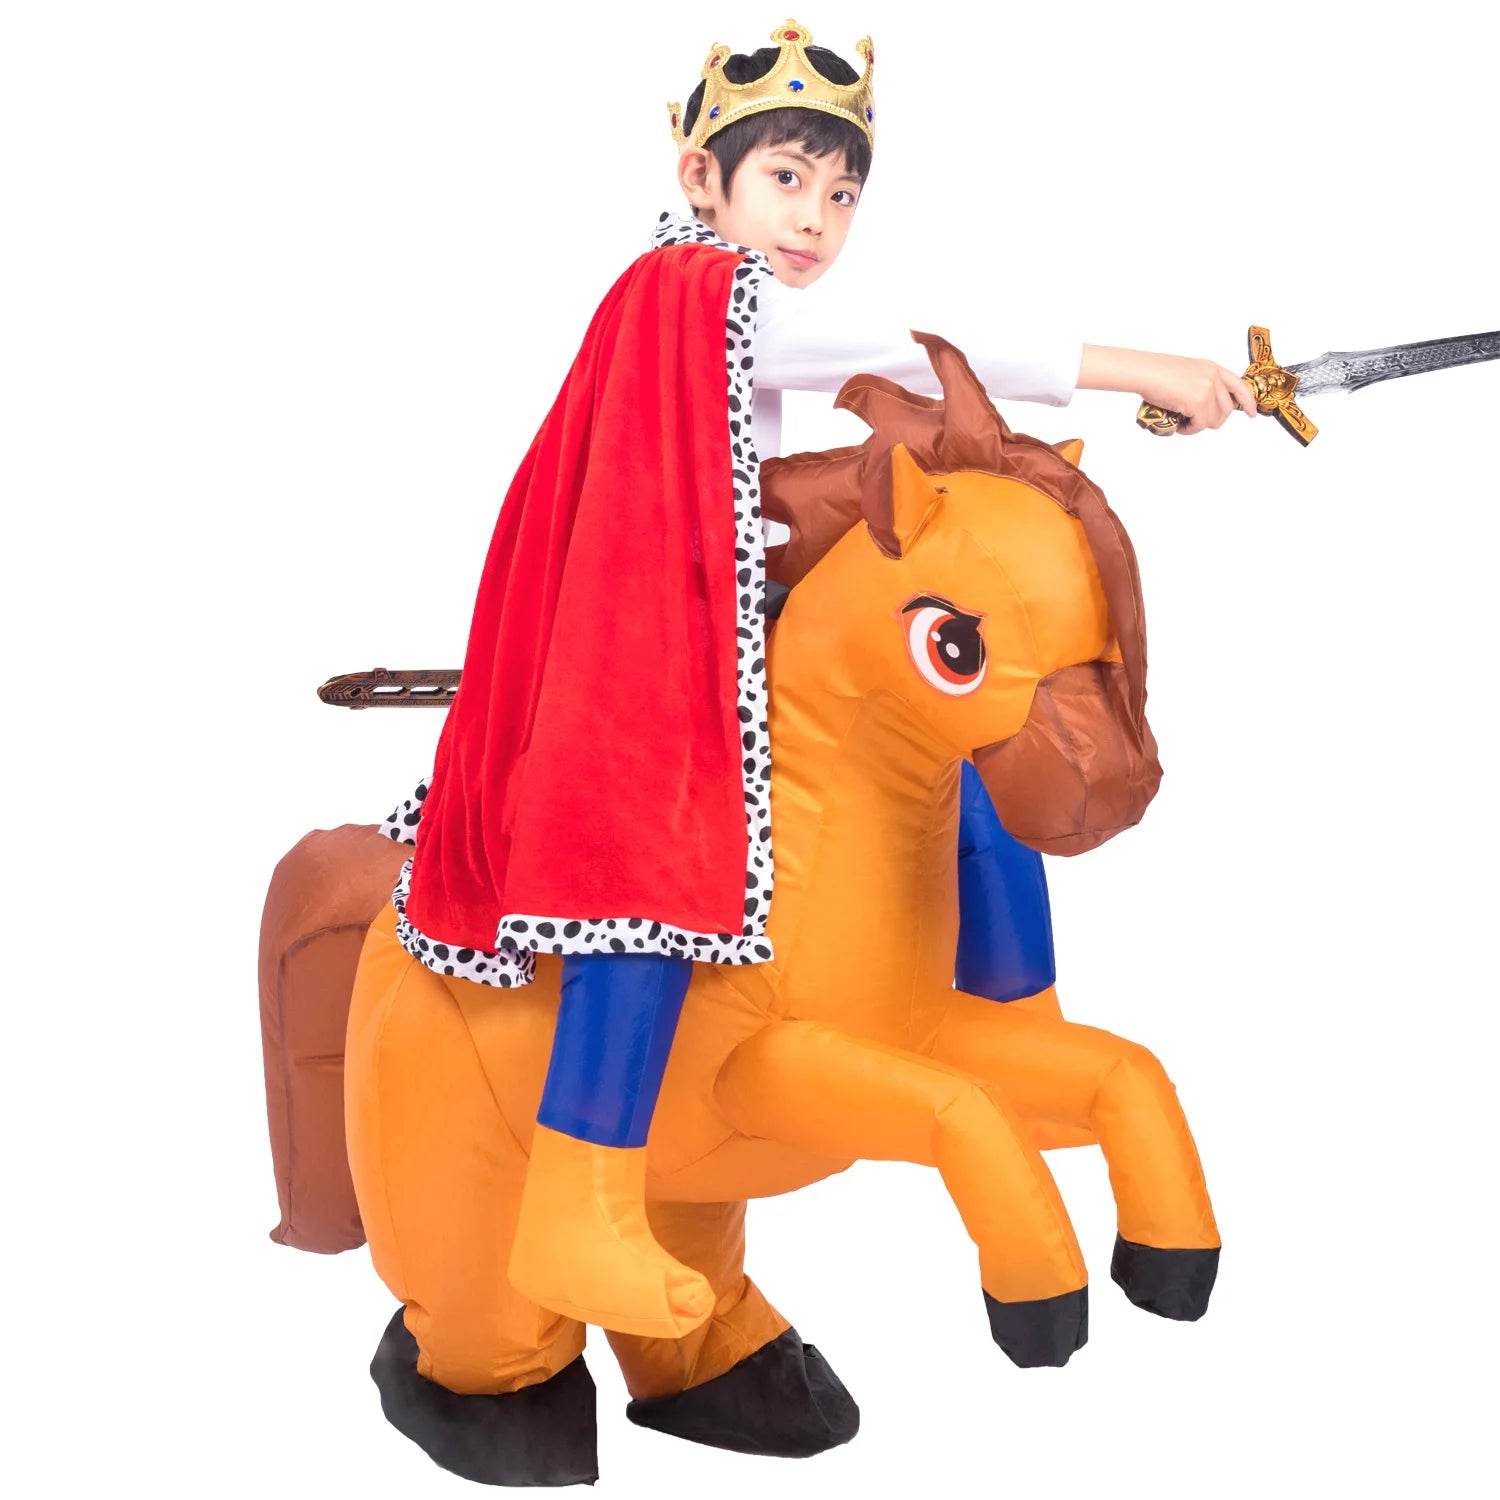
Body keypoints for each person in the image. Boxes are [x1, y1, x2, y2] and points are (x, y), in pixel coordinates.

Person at [378, 17, 1252, 1344]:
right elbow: (892, 349)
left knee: (961, 769)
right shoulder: (685, 295)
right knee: (646, 864)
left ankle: (1014, 1018)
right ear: (701, 176)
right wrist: (1136, 367)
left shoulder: (744, 315)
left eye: (841, 193)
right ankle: (580, 1186)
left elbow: (792, 474)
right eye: (787, 179)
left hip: (750, 632)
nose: (816, 217)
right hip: (646, 659)